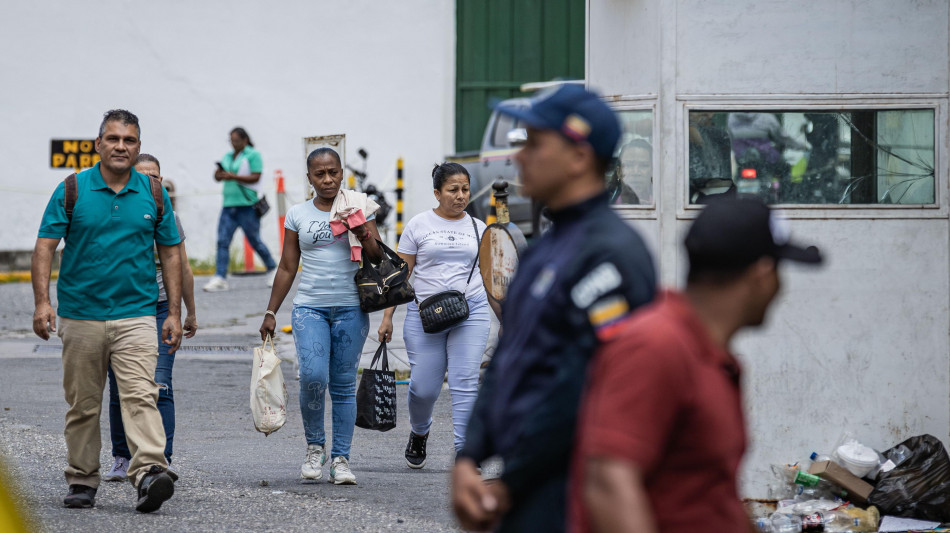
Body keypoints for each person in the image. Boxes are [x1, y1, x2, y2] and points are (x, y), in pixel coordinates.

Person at [451, 85, 657, 532]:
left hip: (577, 498)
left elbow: (585, 388)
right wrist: (469, 457)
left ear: (580, 157)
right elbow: (508, 361)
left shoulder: (612, 256)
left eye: (536, 143)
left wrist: (512, 479)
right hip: (527, 491)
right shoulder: (543, 251)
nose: (519, 156)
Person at [572, 197, 823, 533]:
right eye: (780, 272)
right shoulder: (656, 345)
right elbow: (608, 483)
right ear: (762, 275)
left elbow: (711, 493)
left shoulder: (716, 359)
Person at [31, 110, 180, 513]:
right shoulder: (72, 189)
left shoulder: (152, 192)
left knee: (140, 396)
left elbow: (170, 253)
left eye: (129, 140)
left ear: (137, 146)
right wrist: (43, 302)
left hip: (136, 315)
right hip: (81, 316)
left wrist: (174, 311)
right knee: (84, 404)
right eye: (113, 139)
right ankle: (82, 479)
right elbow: (45, 246)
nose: (120, 146)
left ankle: (149, 473)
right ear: (98, 144)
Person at [259, 147, 383, 486]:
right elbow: (287, 266)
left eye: (333, 172)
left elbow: (375, 256)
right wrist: (271, 310)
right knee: (313, 377)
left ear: (342, 172)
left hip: (351, 309)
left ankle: (341, 459)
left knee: (343, 385)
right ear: (310, 177)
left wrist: (361, 230)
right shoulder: (298, 214)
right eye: (319, 174)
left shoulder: (359, 204)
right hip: (309, 308)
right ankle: (315, 447)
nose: (327, 179)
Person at [377, 162, 491, 469]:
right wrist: (387, 318)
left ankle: (464, 452)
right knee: (423, 388)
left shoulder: (479, 229)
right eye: (453, 190)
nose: (460, 196)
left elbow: (490, 276)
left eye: (465, 189)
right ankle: (419, 431)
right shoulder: (418, 225)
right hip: (425, 314)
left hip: (472, 310)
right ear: (437, 193)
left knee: (464, 380)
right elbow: (399, 276)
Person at [103, 154, 198, 482]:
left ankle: (161, 461)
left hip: (160, 309)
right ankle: (121, 455)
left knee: (160, 385)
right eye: (143, 176)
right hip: (124, 308)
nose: (150, 182)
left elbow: (183, 267)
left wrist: (189, 311)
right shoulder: (118, 211)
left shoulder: (168, 215)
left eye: (156, 177)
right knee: (119, 388)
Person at [204, 127, 277, 292]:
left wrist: (233, 176)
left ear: (244, 140)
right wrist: (219, 173)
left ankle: (273, 268)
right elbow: (217, 178)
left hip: (247, 206)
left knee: (254, 240)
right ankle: (220, 277)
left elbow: (256, 176)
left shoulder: (253, 155)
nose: (233, 143)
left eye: (236, 140)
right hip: (229, 205)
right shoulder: (228, 156)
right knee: (222, 241)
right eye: (231, 140)